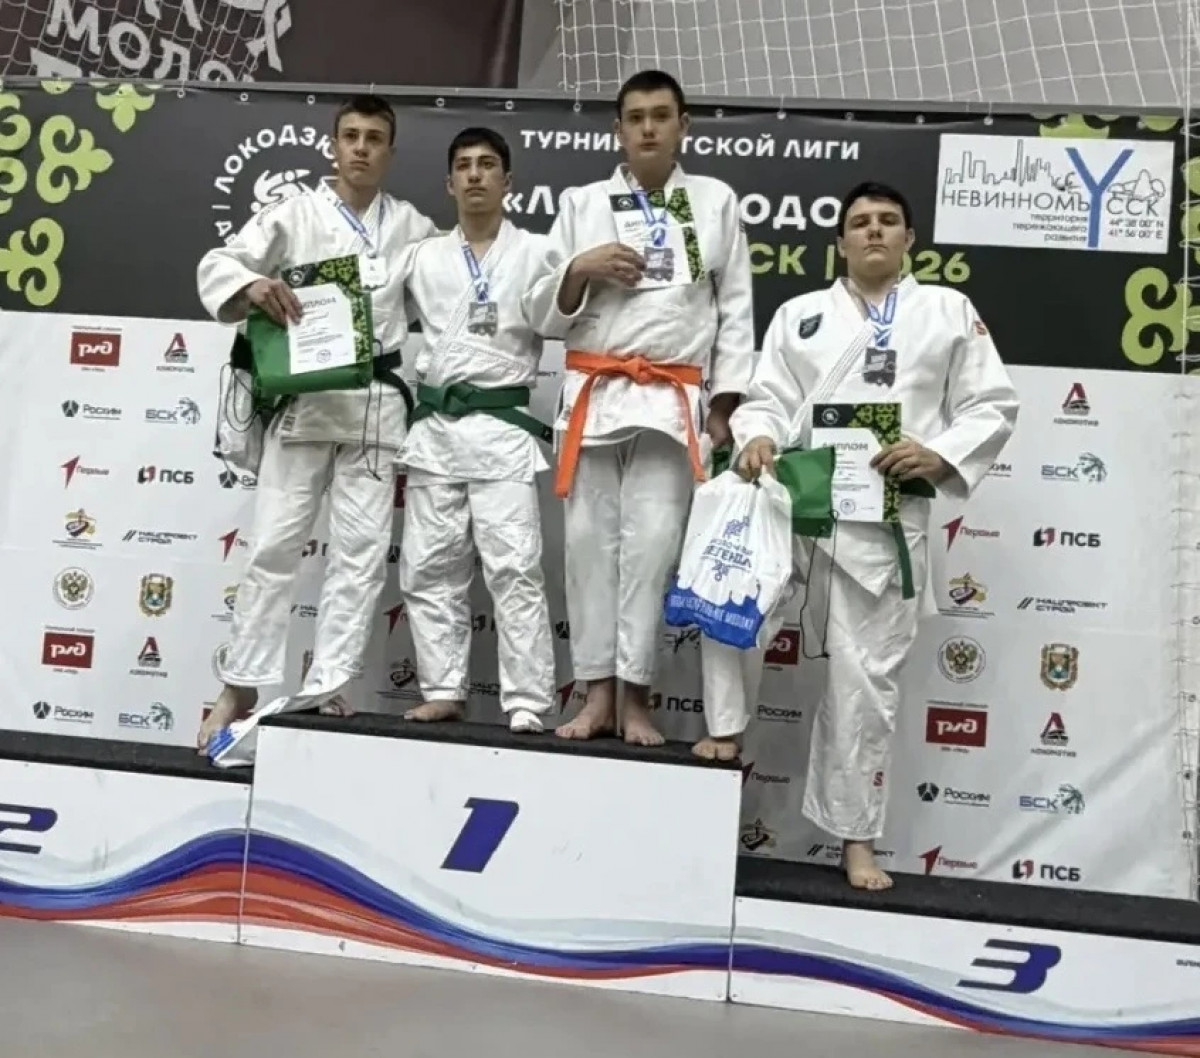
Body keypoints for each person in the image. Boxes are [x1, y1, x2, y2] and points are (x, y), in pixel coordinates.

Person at [707, 181, 1019, 890]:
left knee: (864, 686)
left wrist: (939, 452)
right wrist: (757, 436)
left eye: (887, 221)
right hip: (795, 496)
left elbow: (991, 403)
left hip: (883, 516)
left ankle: (856, 840)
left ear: (909, 239)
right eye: (859, 222)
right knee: (731, 616)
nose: (873, 231)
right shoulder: (800, 314)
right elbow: (767, 398)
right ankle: (723, 731)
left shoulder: (947, 311)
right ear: (840, 242)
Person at [195, 94, 437, 753]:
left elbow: (447, 290)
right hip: (302, 400)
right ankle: (240, 685)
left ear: (390, 151)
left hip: (376, 405)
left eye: (374, 138)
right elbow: (218, 264)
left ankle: (329, 685)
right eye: (350, 135)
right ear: (334, 145)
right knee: (274, 546)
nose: (361, 147)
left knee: (360, 555)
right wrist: (251, 287)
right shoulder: (293, 213)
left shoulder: (412, 226)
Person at [524, 69, 755, 747]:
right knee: (588, 551)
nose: (648, 127)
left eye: (660, 115)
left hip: (670, 401)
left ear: (684, 125)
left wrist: (725, 405)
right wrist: (580, 269)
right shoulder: (582, 204)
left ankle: (637, 698)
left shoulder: (714, 201)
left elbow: (736, 308)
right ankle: (596, 694)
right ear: (618, 130)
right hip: (595, 397)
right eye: (635, 117)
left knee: (652, 553)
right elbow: (538, 310)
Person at [391, 127, 556, 734]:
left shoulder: (538, 253)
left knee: (515, 568)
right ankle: (442, 689)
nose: (476, 175)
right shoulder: (423, 257)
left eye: (488, 165)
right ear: (449, 183)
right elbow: (377, 313)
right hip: (437, 429)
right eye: (464, 166)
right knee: (429, 567)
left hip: (501, 430)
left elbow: (566, 316)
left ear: (508, 181)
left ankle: (528, 699)